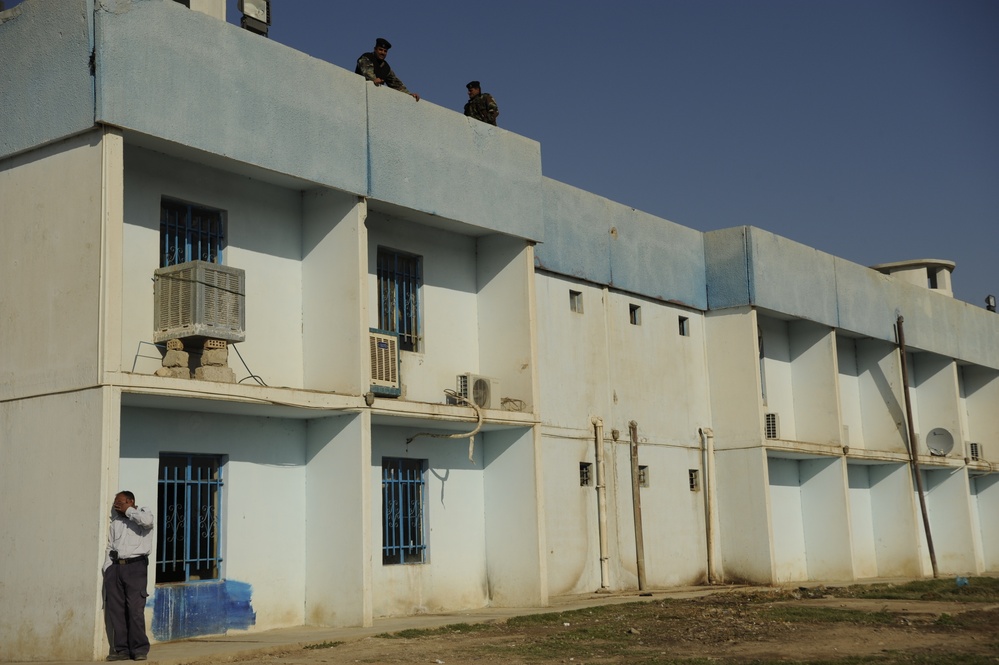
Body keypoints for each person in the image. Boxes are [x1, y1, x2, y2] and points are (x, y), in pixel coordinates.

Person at [103, 491, 154, 661]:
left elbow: (147, 522)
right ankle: (122, 649)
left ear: (130, 501)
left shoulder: (143, 514)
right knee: (117, 610)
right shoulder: (116, 522)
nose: (116, 505)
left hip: (135, 568)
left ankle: (139, 649)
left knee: (134, 610)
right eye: (115, 503)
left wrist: (128, 510)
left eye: (120, 502)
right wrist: (108, 568)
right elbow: (110, 545)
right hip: (116, 568)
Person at [355, 38, 420, 101]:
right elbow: (367, 72)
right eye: (380, 50)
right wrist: (373, 79)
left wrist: (409, 94)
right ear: (375, 49)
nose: (382, 53)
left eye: (385, 51)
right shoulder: (367, 57)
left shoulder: (386, 67)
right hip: (359, 92)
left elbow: (396, 83)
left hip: (374, 98)